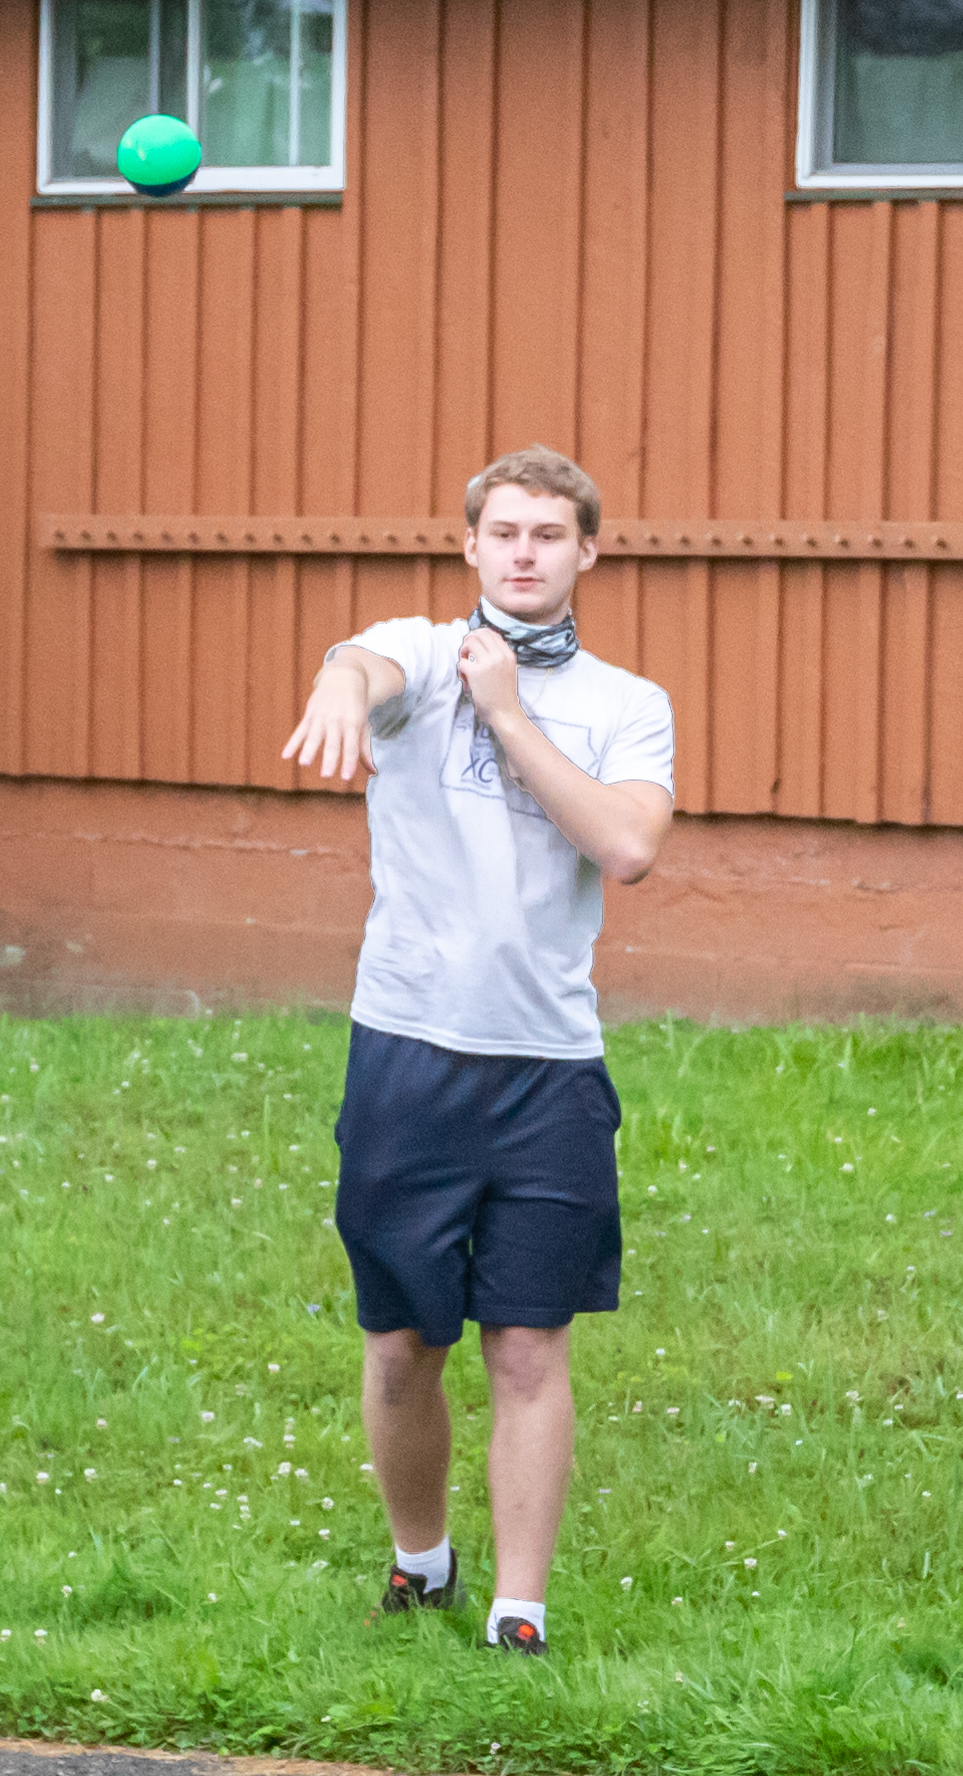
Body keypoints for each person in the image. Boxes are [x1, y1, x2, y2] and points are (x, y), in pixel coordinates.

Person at [279, 445, 674, 1657]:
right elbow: (366, 659)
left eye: (546, 535)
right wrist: (342, 682)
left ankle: (518, 1612)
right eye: (501, 532)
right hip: (406, 1051)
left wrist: (507, 712)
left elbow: (625, 845)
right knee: (401, 1342)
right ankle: (420, 1565)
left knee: (526, 1341)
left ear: (585, 552)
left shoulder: (625, 704)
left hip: (547, 1065)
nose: (521, 553)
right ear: (468, 546)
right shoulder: (414, 650)